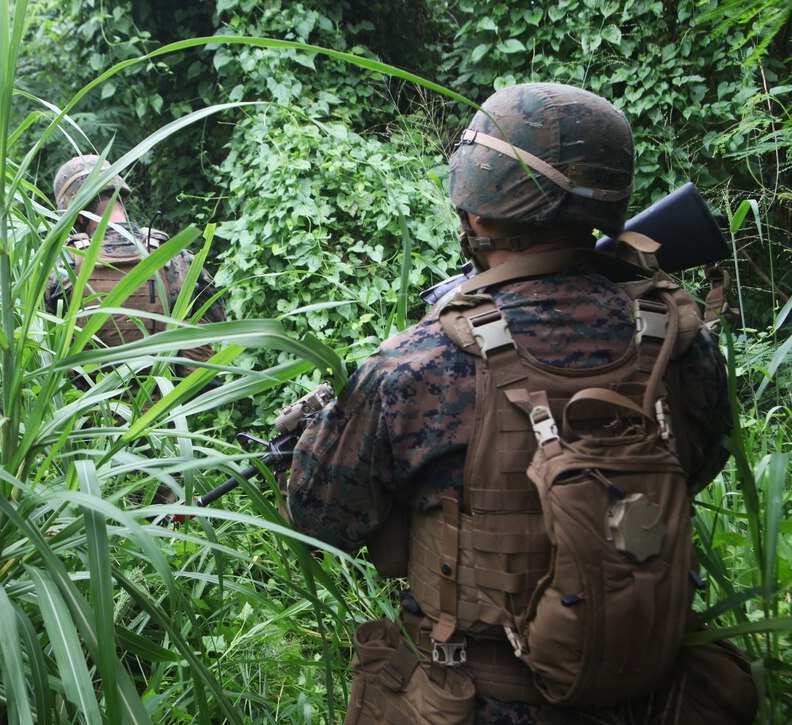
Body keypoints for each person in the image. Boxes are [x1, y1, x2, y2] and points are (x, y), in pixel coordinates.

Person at [286, 83, 757, 723]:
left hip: (477, 698)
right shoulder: (677, 340)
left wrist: (317, 432)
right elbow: (693, 467)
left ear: (475, 213)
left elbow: (322, 522)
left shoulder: (413, 365)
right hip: (658, 695)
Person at [45, 154, 225, 368]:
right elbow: (214, 325)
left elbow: (46, 349)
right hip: (168, 398)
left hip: (89, 400)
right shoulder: (177, 259)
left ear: (79, 216)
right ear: (121, 197)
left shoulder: (63, 267)